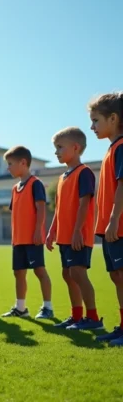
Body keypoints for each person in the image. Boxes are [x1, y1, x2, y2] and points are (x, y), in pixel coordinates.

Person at [46, 127, 103, 330]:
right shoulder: (62, 178)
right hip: (64, 236)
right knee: (67, 274)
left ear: (76, 147)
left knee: (78, 273)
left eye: (60, 147)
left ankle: (94, 318)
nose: (56, 152)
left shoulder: (84, 173)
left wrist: (78, 230)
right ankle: (76, 316)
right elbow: (59, 209)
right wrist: (52, 231)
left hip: (78, 235)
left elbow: (84, 203)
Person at [1, 146, 54, 319]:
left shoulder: (35, 184)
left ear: (23, 163)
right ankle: (21, 308)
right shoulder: (15, 188)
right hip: (18, 240)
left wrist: (39, 231)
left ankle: (47, 307)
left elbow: (40, 208)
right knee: (19, 273)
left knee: (39, 270)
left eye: (10, 164)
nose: (8, 168)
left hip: (33, 238)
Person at [88, 93, 123, 346]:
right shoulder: (111, 149)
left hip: (118, 227)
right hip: (110, 229)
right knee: (116, 276)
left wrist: (113, 220)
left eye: (96, 120)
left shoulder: (121, 148)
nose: (92, 127)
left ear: (113, 118)